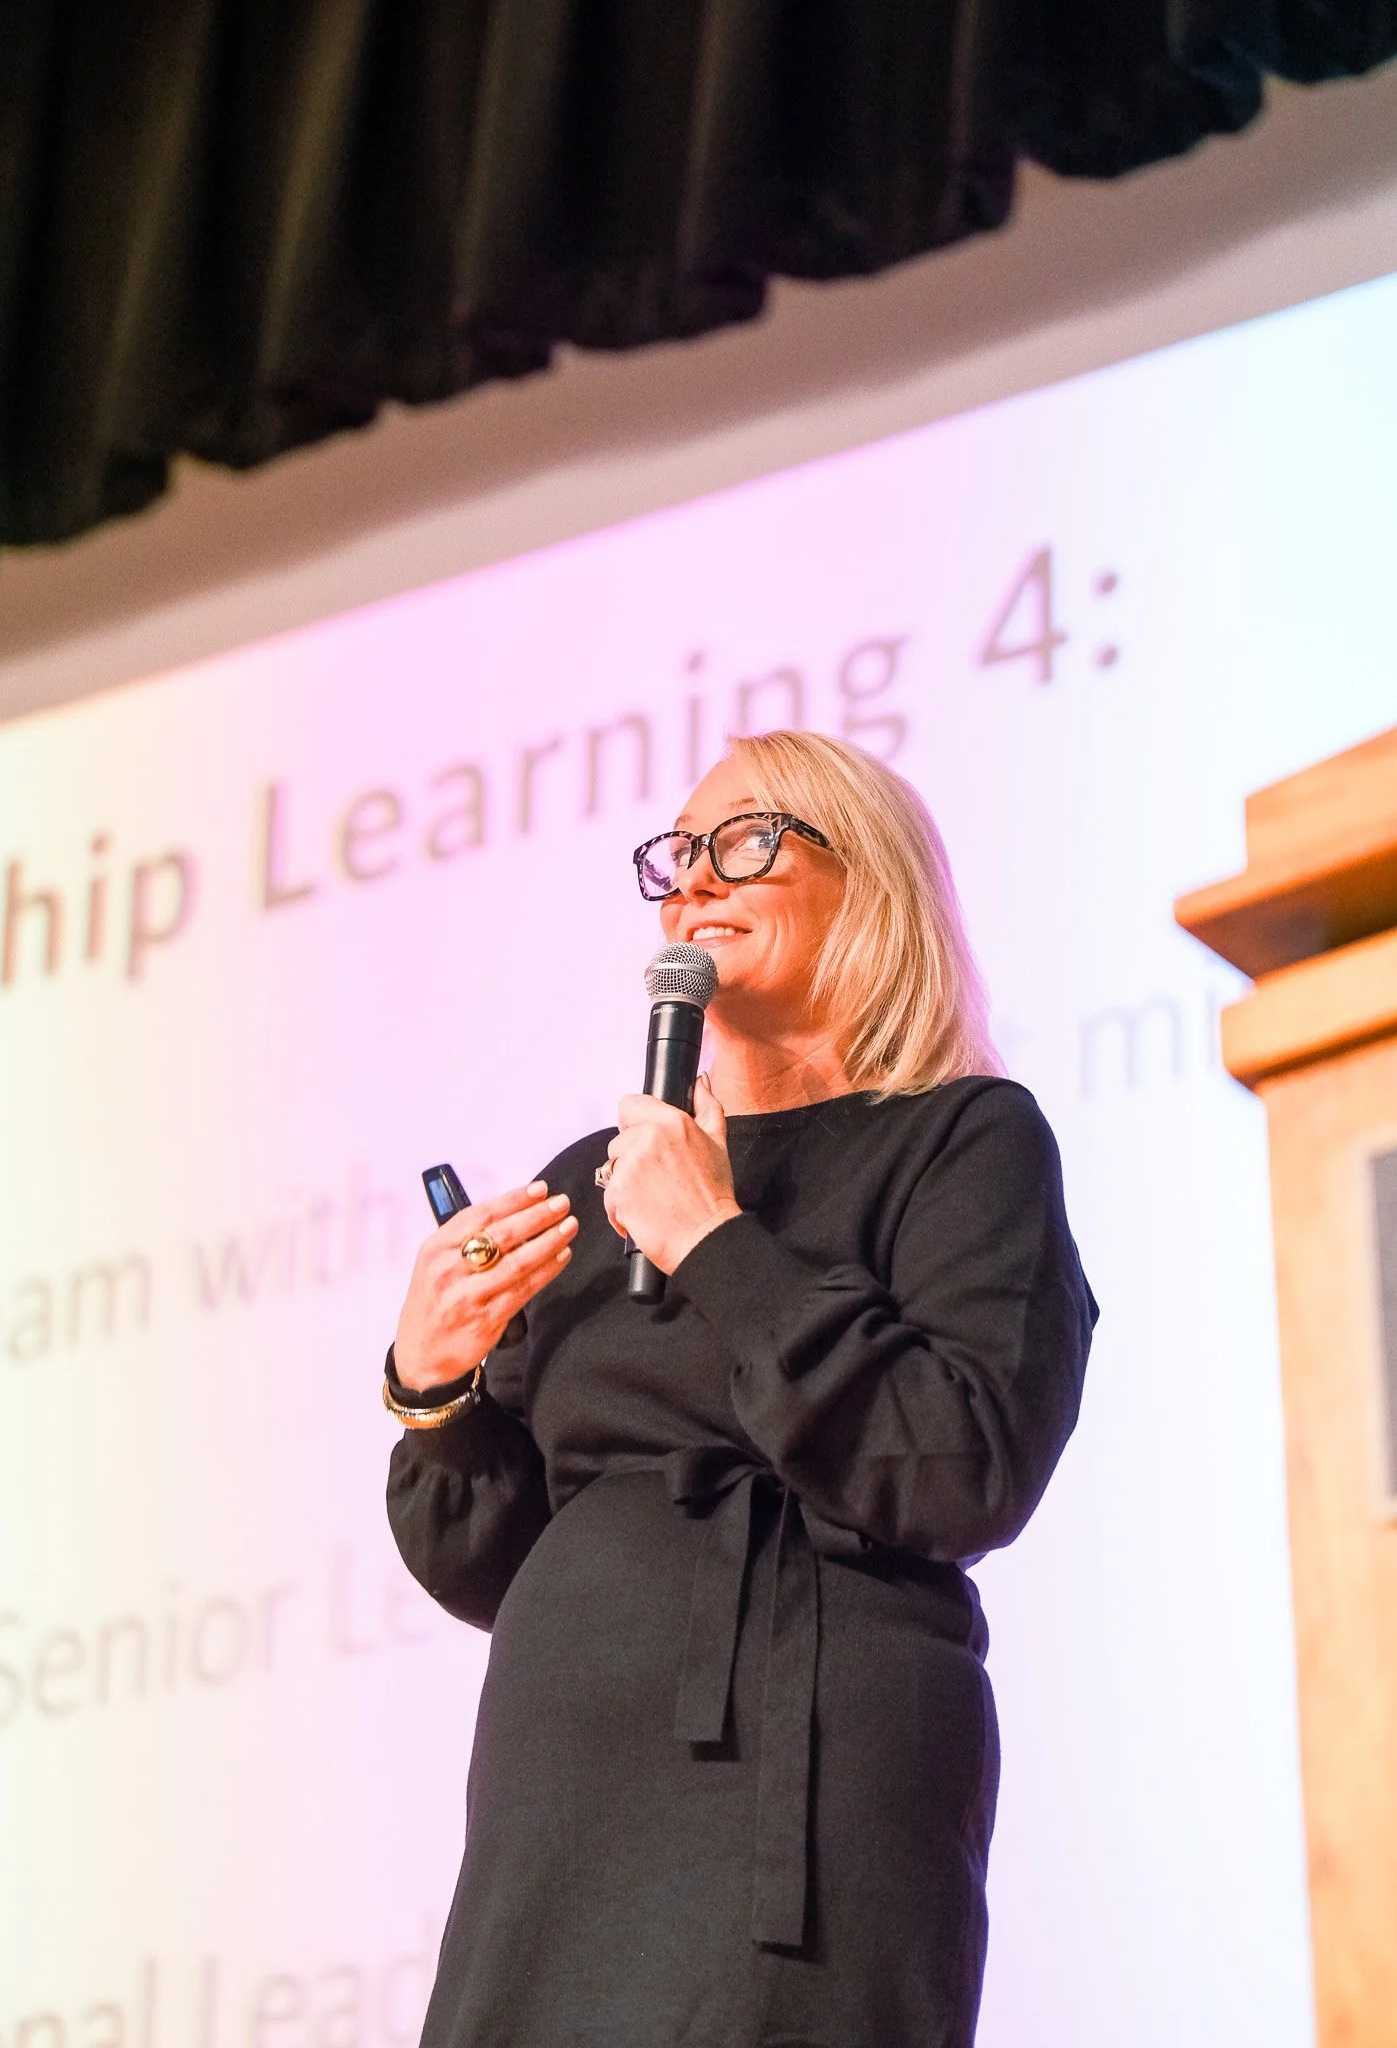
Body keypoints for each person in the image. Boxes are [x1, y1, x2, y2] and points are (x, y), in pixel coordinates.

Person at [383, 729, 1096, 2048]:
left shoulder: (964, 1139)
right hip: (561, 1796)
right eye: (676, 856)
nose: (696, 881)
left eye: (747, 842)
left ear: (868, 877)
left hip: (808, 1767)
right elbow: (488, 1564)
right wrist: (432, 1388)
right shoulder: (593, 1177)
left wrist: (713, 1241)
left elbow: (961, 1467)